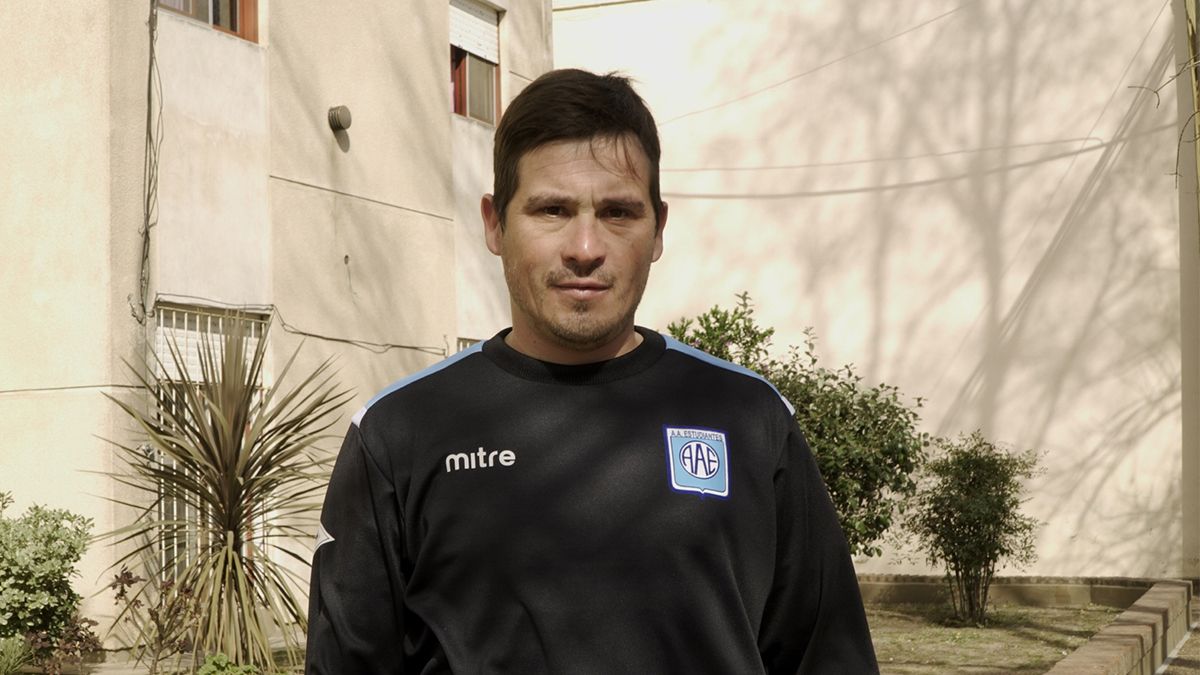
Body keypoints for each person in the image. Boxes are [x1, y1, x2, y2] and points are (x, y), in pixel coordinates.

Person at [306, 68, 879, 674]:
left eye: (618, 212)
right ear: (495, 224)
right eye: (552, 210)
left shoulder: (749, 419)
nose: (585, 248)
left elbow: (828, 658)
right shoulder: (399, 433)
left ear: (658, 230)